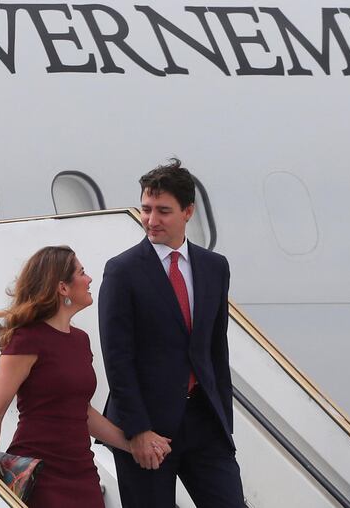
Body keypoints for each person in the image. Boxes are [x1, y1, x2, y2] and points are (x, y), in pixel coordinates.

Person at [99, 159, 245, 507]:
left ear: (188, 212)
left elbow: (215, 350)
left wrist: (224, 422)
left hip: (205, 424)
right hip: (146, 428)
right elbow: (117, 358)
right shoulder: (122, 271)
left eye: (163, 211)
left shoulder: (214, 267)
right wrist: (137, 431)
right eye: (146, 209)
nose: (151, 220)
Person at [0, 245, 172, 508]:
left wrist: (134, 444)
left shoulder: (80, 340)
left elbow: (82, 411)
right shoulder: (27, 340)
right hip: (41, 474)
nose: (89, 278)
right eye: (82, 272)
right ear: (63, 288)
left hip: (81, 471)